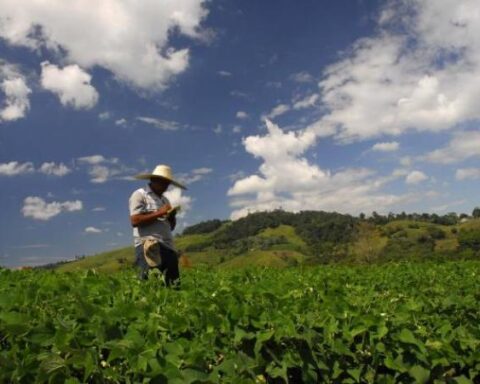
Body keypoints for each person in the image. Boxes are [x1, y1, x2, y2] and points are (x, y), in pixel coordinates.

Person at [129, 164, 186, 285]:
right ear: (153, 180)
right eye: (162, 182)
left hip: (168, 247)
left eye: (167, 183)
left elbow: (171, 227)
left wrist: (172, 216)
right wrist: (159, 212)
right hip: (149, 245)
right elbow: (135, 220)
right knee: (151, 284)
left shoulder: (165, 200)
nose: (165, 186)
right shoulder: (140, 195)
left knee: (173, 285)